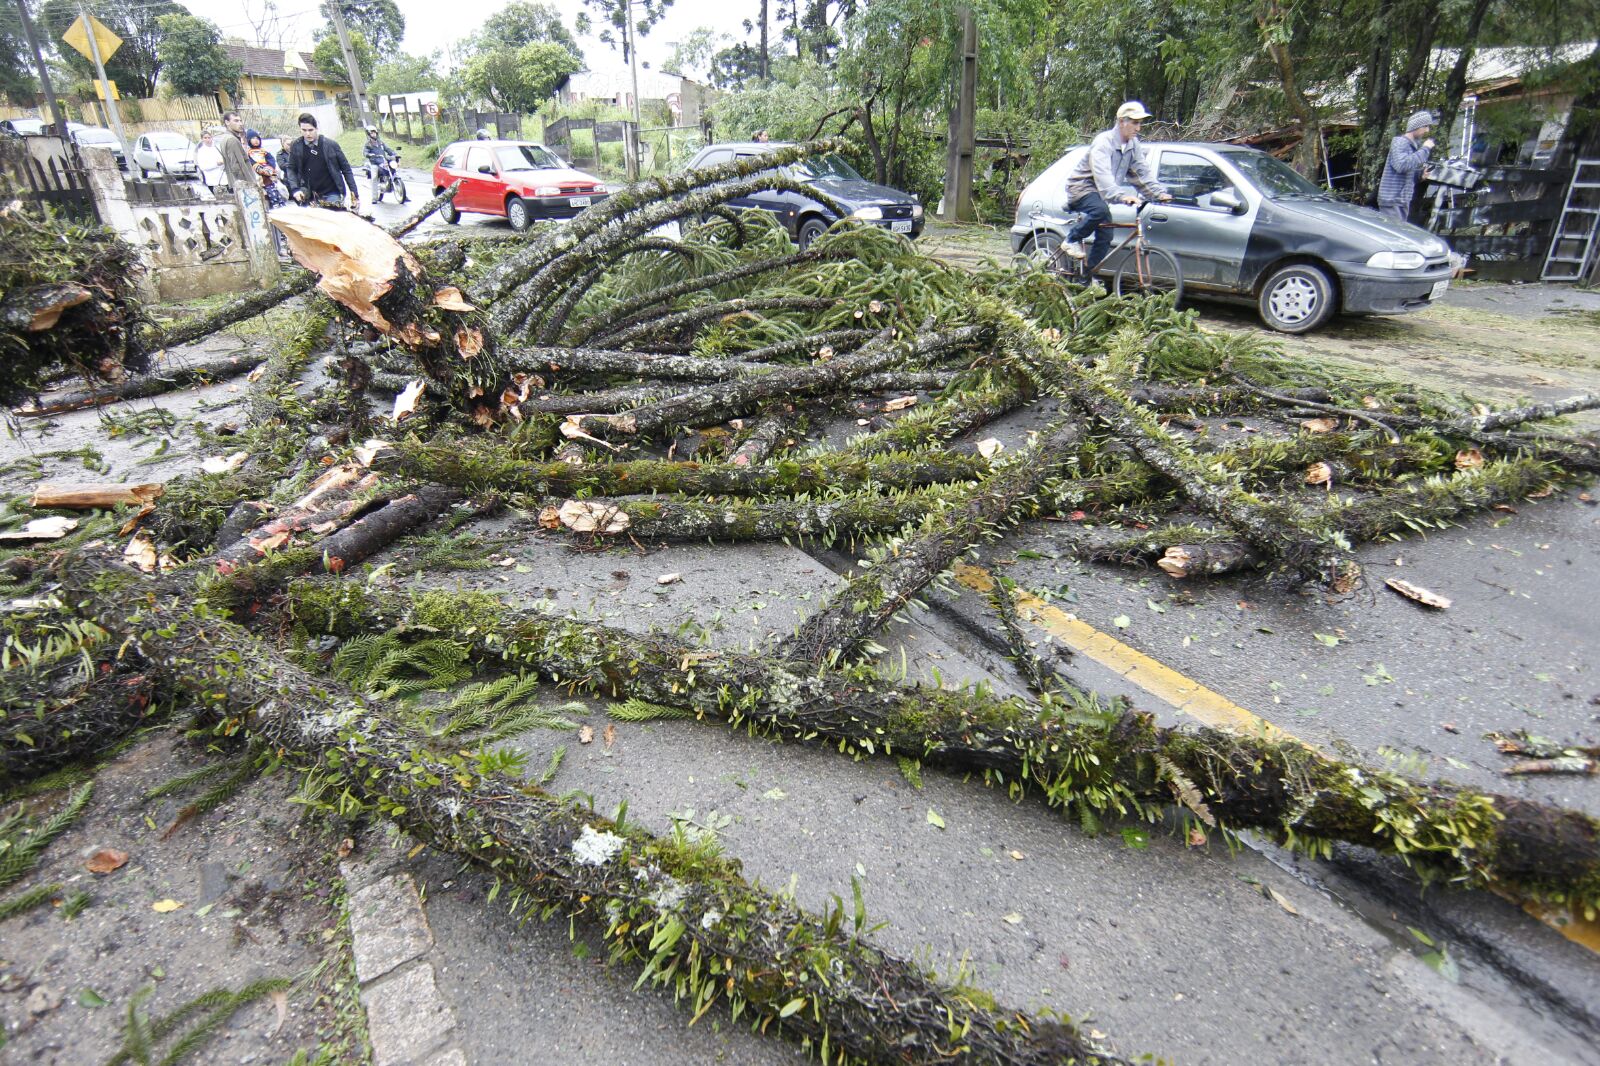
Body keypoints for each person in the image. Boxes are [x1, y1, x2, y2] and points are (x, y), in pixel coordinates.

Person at [1062, 101, 1171, 271]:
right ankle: (1071, 239)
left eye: (1140, 123)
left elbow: (1141, 171)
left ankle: (1086, 279)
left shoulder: (1133, 145)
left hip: (1100, 195)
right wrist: (1121, 196)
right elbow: (1103, 176)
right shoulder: (1104, 142)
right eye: (1135, 123)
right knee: (1100, 210)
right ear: (1122, 121)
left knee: (1106, 236)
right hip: (1082, 188)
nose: (1138, 128)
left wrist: (1158, 193)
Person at [283, 112, 359, 210]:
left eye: (311, 130)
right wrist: (295, 189)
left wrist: (355, 195)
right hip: (310, 195)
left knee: (332, 219)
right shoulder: (296, 145)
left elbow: (346, 170)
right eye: (304, 130)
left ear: (316, 129)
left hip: (332, 192)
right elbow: (291, 168)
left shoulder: (331, 145)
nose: (307, 134)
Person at [1377, 110, 1435, 224]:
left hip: (1401, 201)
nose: (1427, 130)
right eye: (1425, 126)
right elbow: (1401, 165)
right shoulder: (1400, 142)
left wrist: (1420, 175)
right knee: (1394, 238)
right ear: (1416, 126)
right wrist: (1425, 149)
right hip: (1392, 200)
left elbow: (1404, 173)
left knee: (1399, 238)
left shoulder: (1410, 145)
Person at [217, 109, 252, 187]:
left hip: (238, 184)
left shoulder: (227, 138)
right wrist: (247, 185)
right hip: (244, 185)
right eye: (236, 121)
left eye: (240, 121)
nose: (240, 124)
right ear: (227, 122)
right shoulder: (231, 139)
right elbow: (237, 166)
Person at [363, 125, 398, 200]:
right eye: (372, 133)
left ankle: (401, 190)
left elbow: (387, 149)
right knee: (374, 177)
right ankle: (374, 198)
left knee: (393, 171)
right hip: (374, 163)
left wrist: (393, 153)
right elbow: (365, 152)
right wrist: (369, 154)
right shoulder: (367, 144)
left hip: (383, 161)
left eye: (374, 133)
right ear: (369, 134)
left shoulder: (381, 143)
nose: (374, 134)